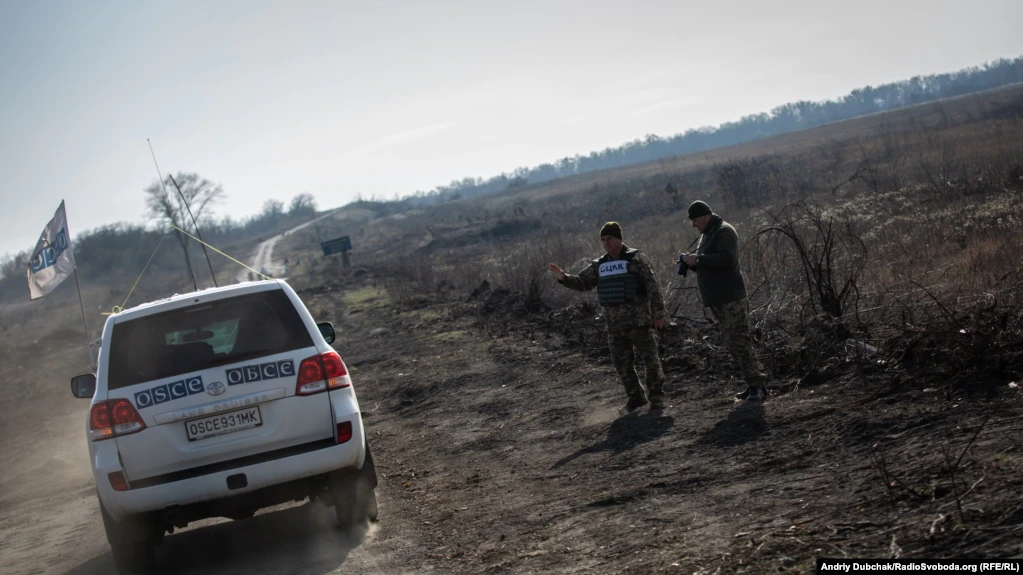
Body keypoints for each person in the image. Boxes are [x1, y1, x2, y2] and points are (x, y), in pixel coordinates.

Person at [548, 221, 668, 412]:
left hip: (639, 322)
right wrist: (564, 277)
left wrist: (658, 315)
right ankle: (636, 397)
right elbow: (584, 283)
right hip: (614, 325)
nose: (606, 243)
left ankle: (657, 397)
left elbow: (653, 287)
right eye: (603, 240)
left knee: (650, 360)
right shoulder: (600, 265)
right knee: (621, 364)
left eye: (609, 239)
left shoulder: (636, 259)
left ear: (619, 239)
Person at [679, 200, 768, 401]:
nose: (694, 225)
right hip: (718, 299)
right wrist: (691, 262)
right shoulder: (708, 235)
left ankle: (757, 385)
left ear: (703, 216)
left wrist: (699, 260)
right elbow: (710, 263)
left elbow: (727, 258)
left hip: (731, 298)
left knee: (740, 341)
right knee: (733, 343)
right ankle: (752, 383)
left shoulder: (724, 231)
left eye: (694, 220)